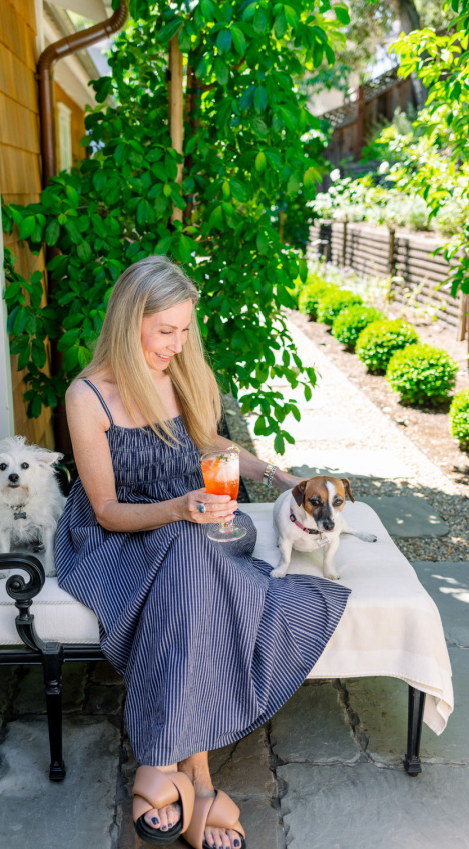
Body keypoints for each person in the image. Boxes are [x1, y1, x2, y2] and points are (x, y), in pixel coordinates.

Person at [54, 255, 350, 849]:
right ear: (129, 321)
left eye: (185, 329)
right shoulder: (87, 396)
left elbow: (210, 441)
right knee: (192, 557)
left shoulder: (183, 374)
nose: (178, 344)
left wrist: (277, 477)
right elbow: (106, 509)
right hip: (122, 534)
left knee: (193, 553)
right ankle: (202, 778)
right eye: (166, 330)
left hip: (201, 520)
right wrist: (177, 509)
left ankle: (161, 762)